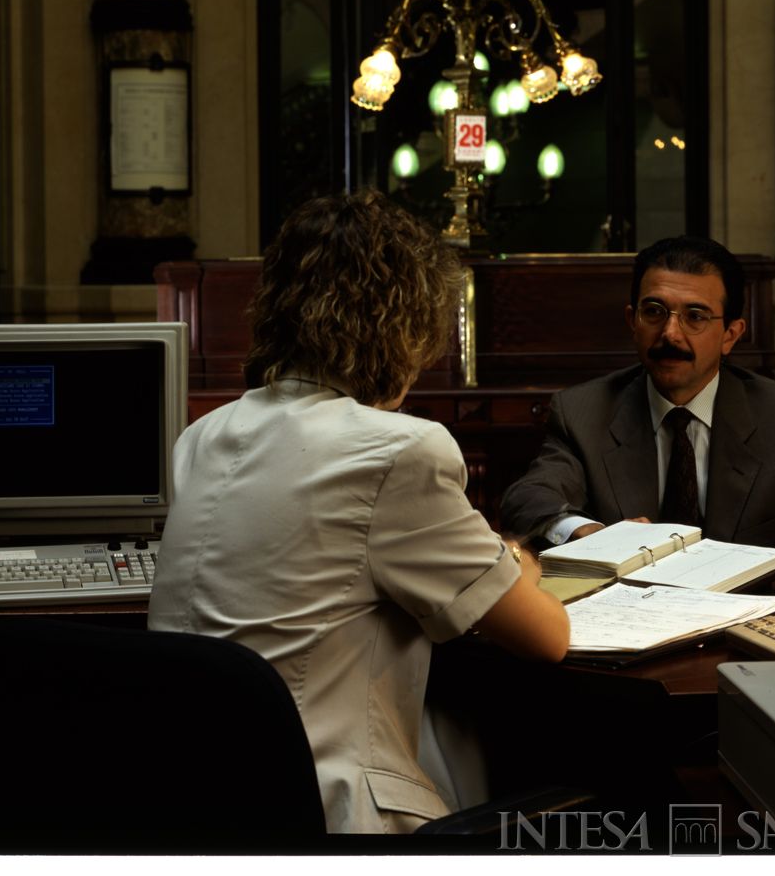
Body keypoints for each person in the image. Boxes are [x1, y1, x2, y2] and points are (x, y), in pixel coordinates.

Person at [148, 189, 569, 835]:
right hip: (331, 809)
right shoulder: (399, 449)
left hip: (202, 800)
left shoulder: (204, 435)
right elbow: (546, 638)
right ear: (404, 325)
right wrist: (517, 560)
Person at [500, 235, 775, 573]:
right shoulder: (584, 412)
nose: (670, 333)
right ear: (633, 321)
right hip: (630, 622)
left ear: (730, 335)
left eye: (695, 316)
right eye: (654, 312)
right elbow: (528, 498)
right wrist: (590, 533)